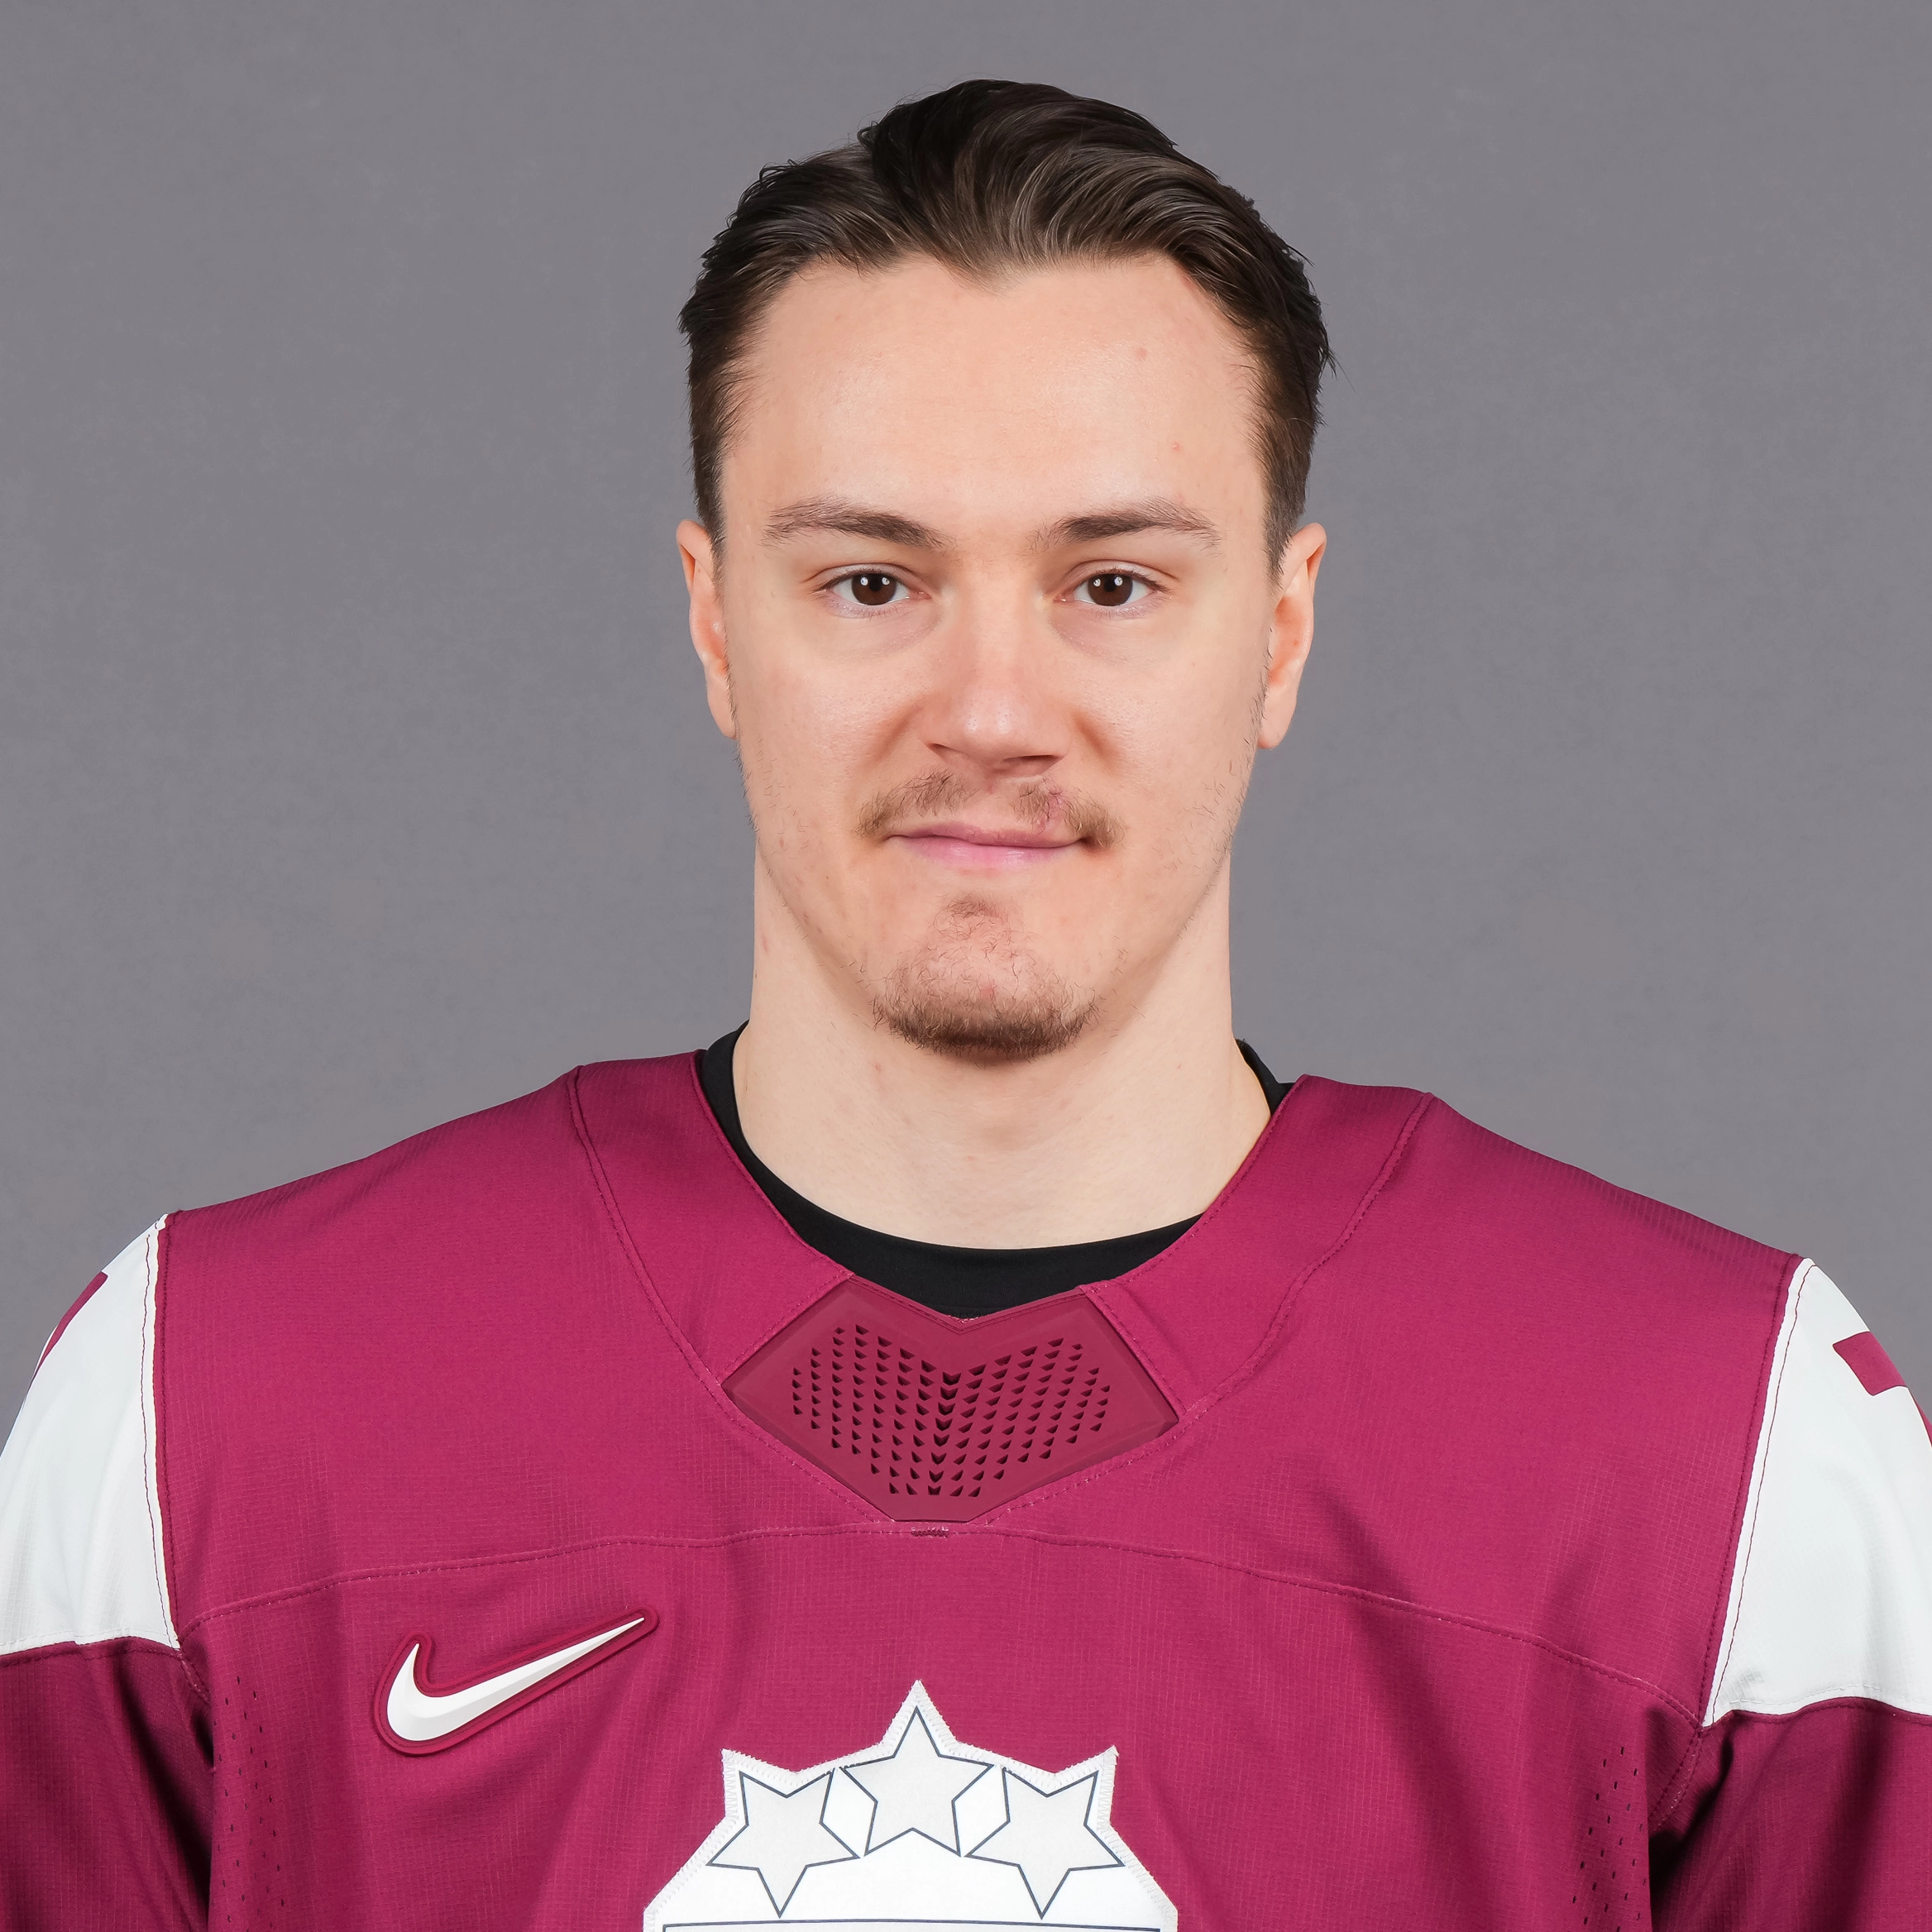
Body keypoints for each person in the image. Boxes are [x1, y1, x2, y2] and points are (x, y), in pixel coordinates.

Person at [1, 77, 1925, 1930]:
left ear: (1278, 630)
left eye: (1111, 584)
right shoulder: (210, 1413)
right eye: (870, 583)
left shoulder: (1721, 1448)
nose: (991, 710)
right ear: (714, 620)